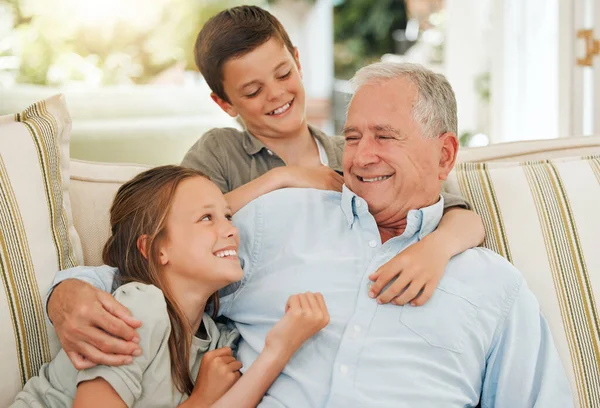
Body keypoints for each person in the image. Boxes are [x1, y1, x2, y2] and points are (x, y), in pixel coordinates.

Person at [48, 62, 573, 407]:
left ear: (444, 155)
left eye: (385, 137)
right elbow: (154, 267)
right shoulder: (275, 221)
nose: (361, 156)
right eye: (351, 136)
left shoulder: (493, 287)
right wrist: (67, 293)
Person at [47, 5, 485, 370]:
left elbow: (459, 210)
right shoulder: (220, 153)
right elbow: (164, 234)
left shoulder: (351, 154)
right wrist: (283, 178)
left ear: (297, 58)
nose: (276, 95)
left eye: (282, 73)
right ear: (224, 103)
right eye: (253, 90)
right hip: (244, 344)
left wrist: (436, 249)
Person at [13, 166, 329, 407]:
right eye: (207, 218)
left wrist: (280, 349)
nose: (231, 229)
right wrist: (201, 400)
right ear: (155, 249)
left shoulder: (217, 339)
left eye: (228, 215)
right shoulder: (139, 309)